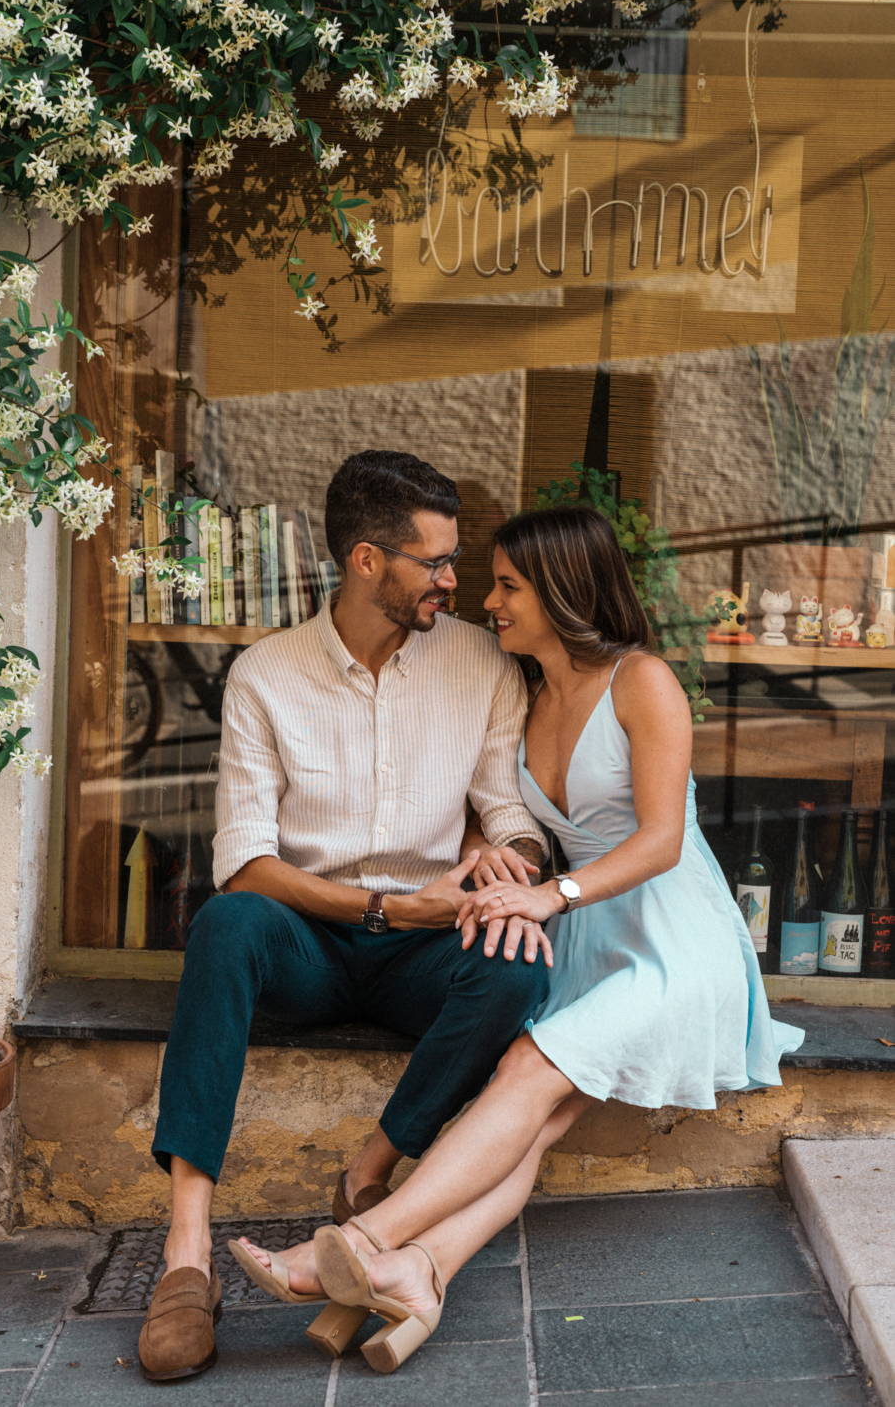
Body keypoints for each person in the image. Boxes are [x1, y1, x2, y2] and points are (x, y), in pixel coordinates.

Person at [230, 503, 805, 1374]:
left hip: (674, 937)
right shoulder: (530, 695)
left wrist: (551, 896)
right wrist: (490, 858)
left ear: (564, 592)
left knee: (527, 1073)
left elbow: (660, 842)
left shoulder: (643, 682)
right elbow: (502, 822)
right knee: (530, 1118)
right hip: (585, 935)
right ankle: (421, 1274)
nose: (486, 601)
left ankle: (350, 1243)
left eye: (507, 586)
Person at [138, 450, 551, 1381]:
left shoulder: (482, 666)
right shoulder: (265, 676)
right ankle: (187, 1254)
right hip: (309, 945)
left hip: (422, 953)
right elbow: (246, 863)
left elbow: (513, 816)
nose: (458, 583)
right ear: (368, 561)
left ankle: (368, 1179)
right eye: (436, 562)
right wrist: (395, 906)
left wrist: (509, 868)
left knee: (519, 963)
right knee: (224, 925)